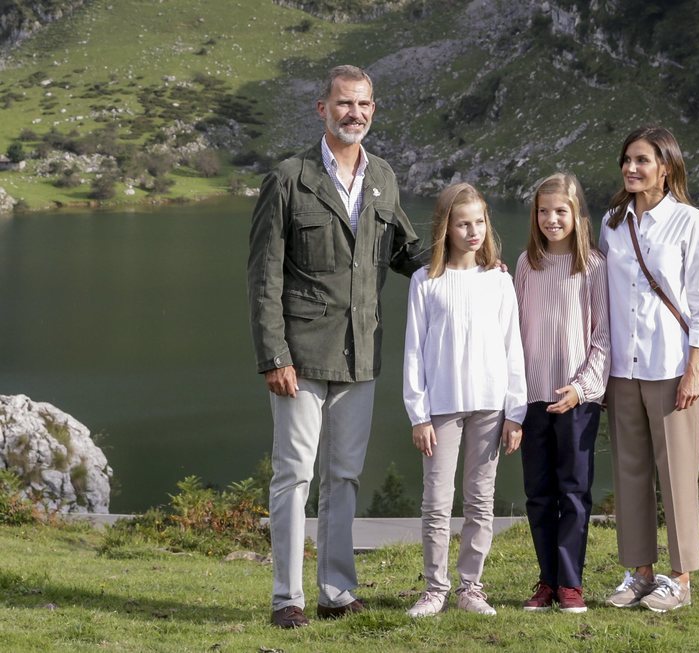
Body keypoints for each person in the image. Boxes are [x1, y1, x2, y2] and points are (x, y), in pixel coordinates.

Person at [247, 64, 424, 629]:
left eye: (365, 104)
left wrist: (468, 263)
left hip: (361, 354)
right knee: (294, 474)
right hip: (299, 355)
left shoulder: (383, 178)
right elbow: (264, 276)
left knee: (344, 476)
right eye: (345, 104)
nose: (356, 114)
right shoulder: (288, 178)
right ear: (321, 108)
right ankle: (286, 598)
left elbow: (405, 253)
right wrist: (274, 355)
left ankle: (337, 592)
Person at [598, 126, 699, 612]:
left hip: (671, 367)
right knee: (630, 471)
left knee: (677, 473)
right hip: (623, 368)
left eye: (642, 160)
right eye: (627, 159)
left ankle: (681, 578)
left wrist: (693, 369)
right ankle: (639, 573)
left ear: (665, 167)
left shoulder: (689, 221)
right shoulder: (611, 222)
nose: (631, 168)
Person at [402, 182, 527, 618]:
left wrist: (516, 412)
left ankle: (470, 587)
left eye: (479, 222)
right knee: (436, 501)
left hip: (491, 407)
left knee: (480, 500)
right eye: (463, 224)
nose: (473, 232)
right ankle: (434, 589)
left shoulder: (498, 280)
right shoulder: (426, 282)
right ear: (446, 228)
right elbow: (414, 352)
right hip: (441, 408)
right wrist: (418, 415)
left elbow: (514, 348)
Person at [514, 172, 610, 614]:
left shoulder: (592, 266)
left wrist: (581, 388)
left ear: (577, 215)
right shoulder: (525, 265)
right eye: (544, 211)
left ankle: (571, 582)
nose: (552, 219)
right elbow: (510, 330)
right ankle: (547, 580)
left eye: (561, 211)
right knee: (539, 492)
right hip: (533, 395)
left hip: (576, 397)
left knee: (574, 491)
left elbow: (603, 338)